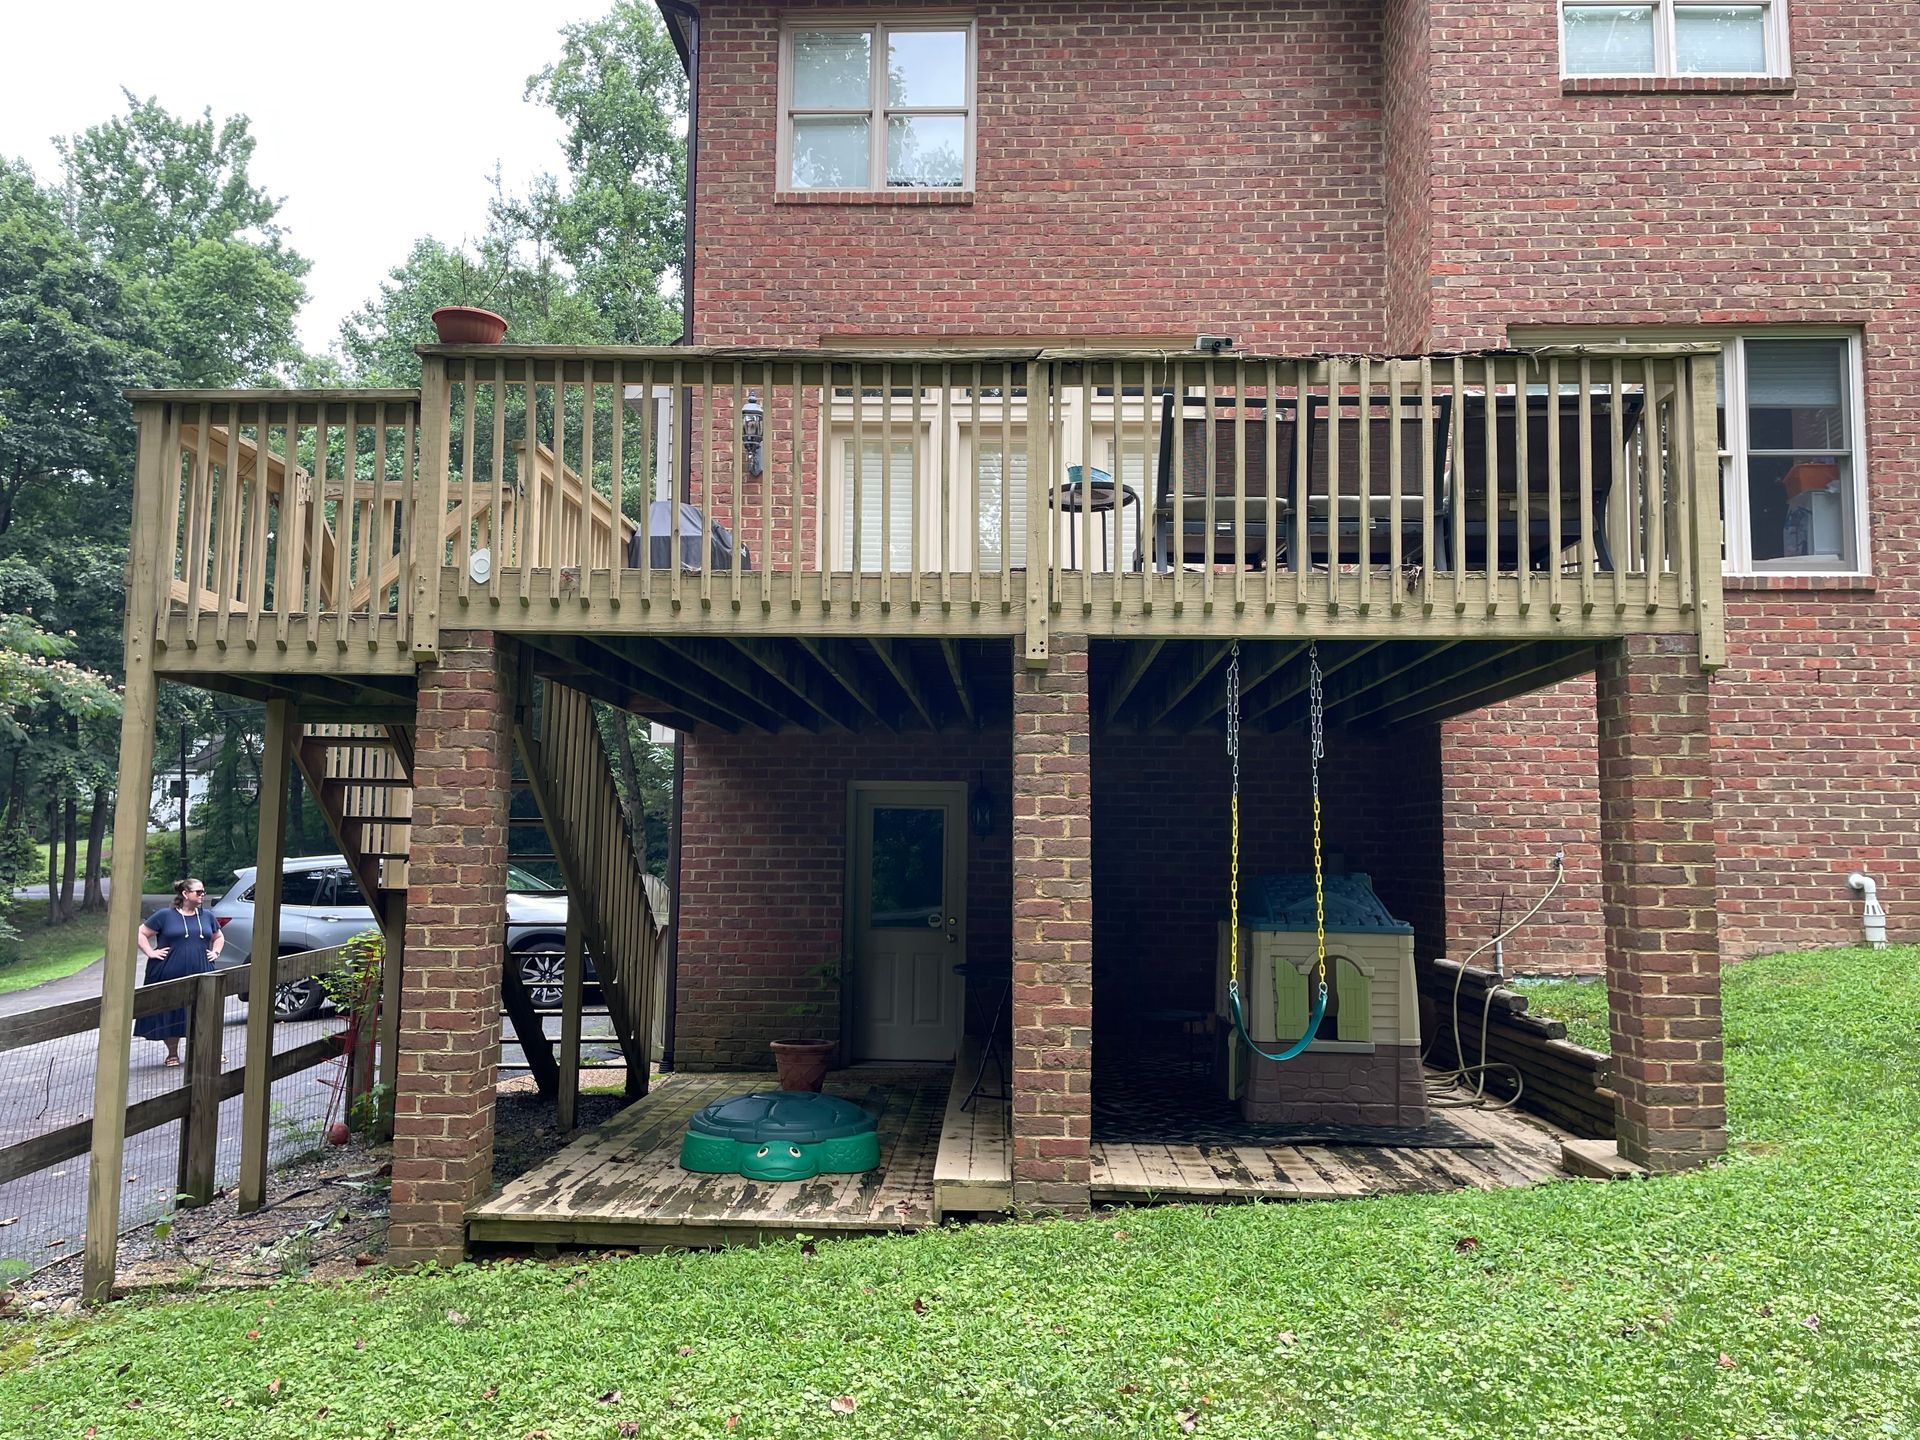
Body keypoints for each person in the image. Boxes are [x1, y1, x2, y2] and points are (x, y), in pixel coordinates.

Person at [134, 878, 225, 1067]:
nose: (202, 895)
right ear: (185, 894)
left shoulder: (207, 916)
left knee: (206, 1011)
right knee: (172, 1012)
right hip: (169, 973)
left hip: (202, 972)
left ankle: (212, 1051)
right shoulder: (165, 915)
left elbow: (218, 936)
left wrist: (215, 952)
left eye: (203, 892)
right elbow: (141, 933)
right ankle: (172, 1054)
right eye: (198, 892)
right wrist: (151, 953)